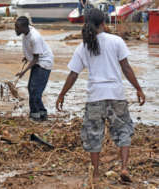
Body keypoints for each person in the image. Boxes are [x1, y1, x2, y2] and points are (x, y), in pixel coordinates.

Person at [56, 9, 145, 182]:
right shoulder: (116, 41)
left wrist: (61, 95)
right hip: (116, 94)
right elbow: (126, 67)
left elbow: (73, 74)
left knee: (94, 134)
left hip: (95, 96)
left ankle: (96, 173)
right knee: (123, 130)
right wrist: (138, 89)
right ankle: (124, 168)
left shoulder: (83, 46)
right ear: (103, 23)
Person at [15, 16, 54, 121]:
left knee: (35, 91)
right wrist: (27, 56)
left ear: (24, 27)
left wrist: (23, 71)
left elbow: (36, 58)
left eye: (17, 28)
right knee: (32, 89)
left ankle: (35, 116)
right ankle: (42, 113)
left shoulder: (35, 37)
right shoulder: (26, 33)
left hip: (44, 63)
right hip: (37, 61)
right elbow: (32, 52)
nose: (16, 30)